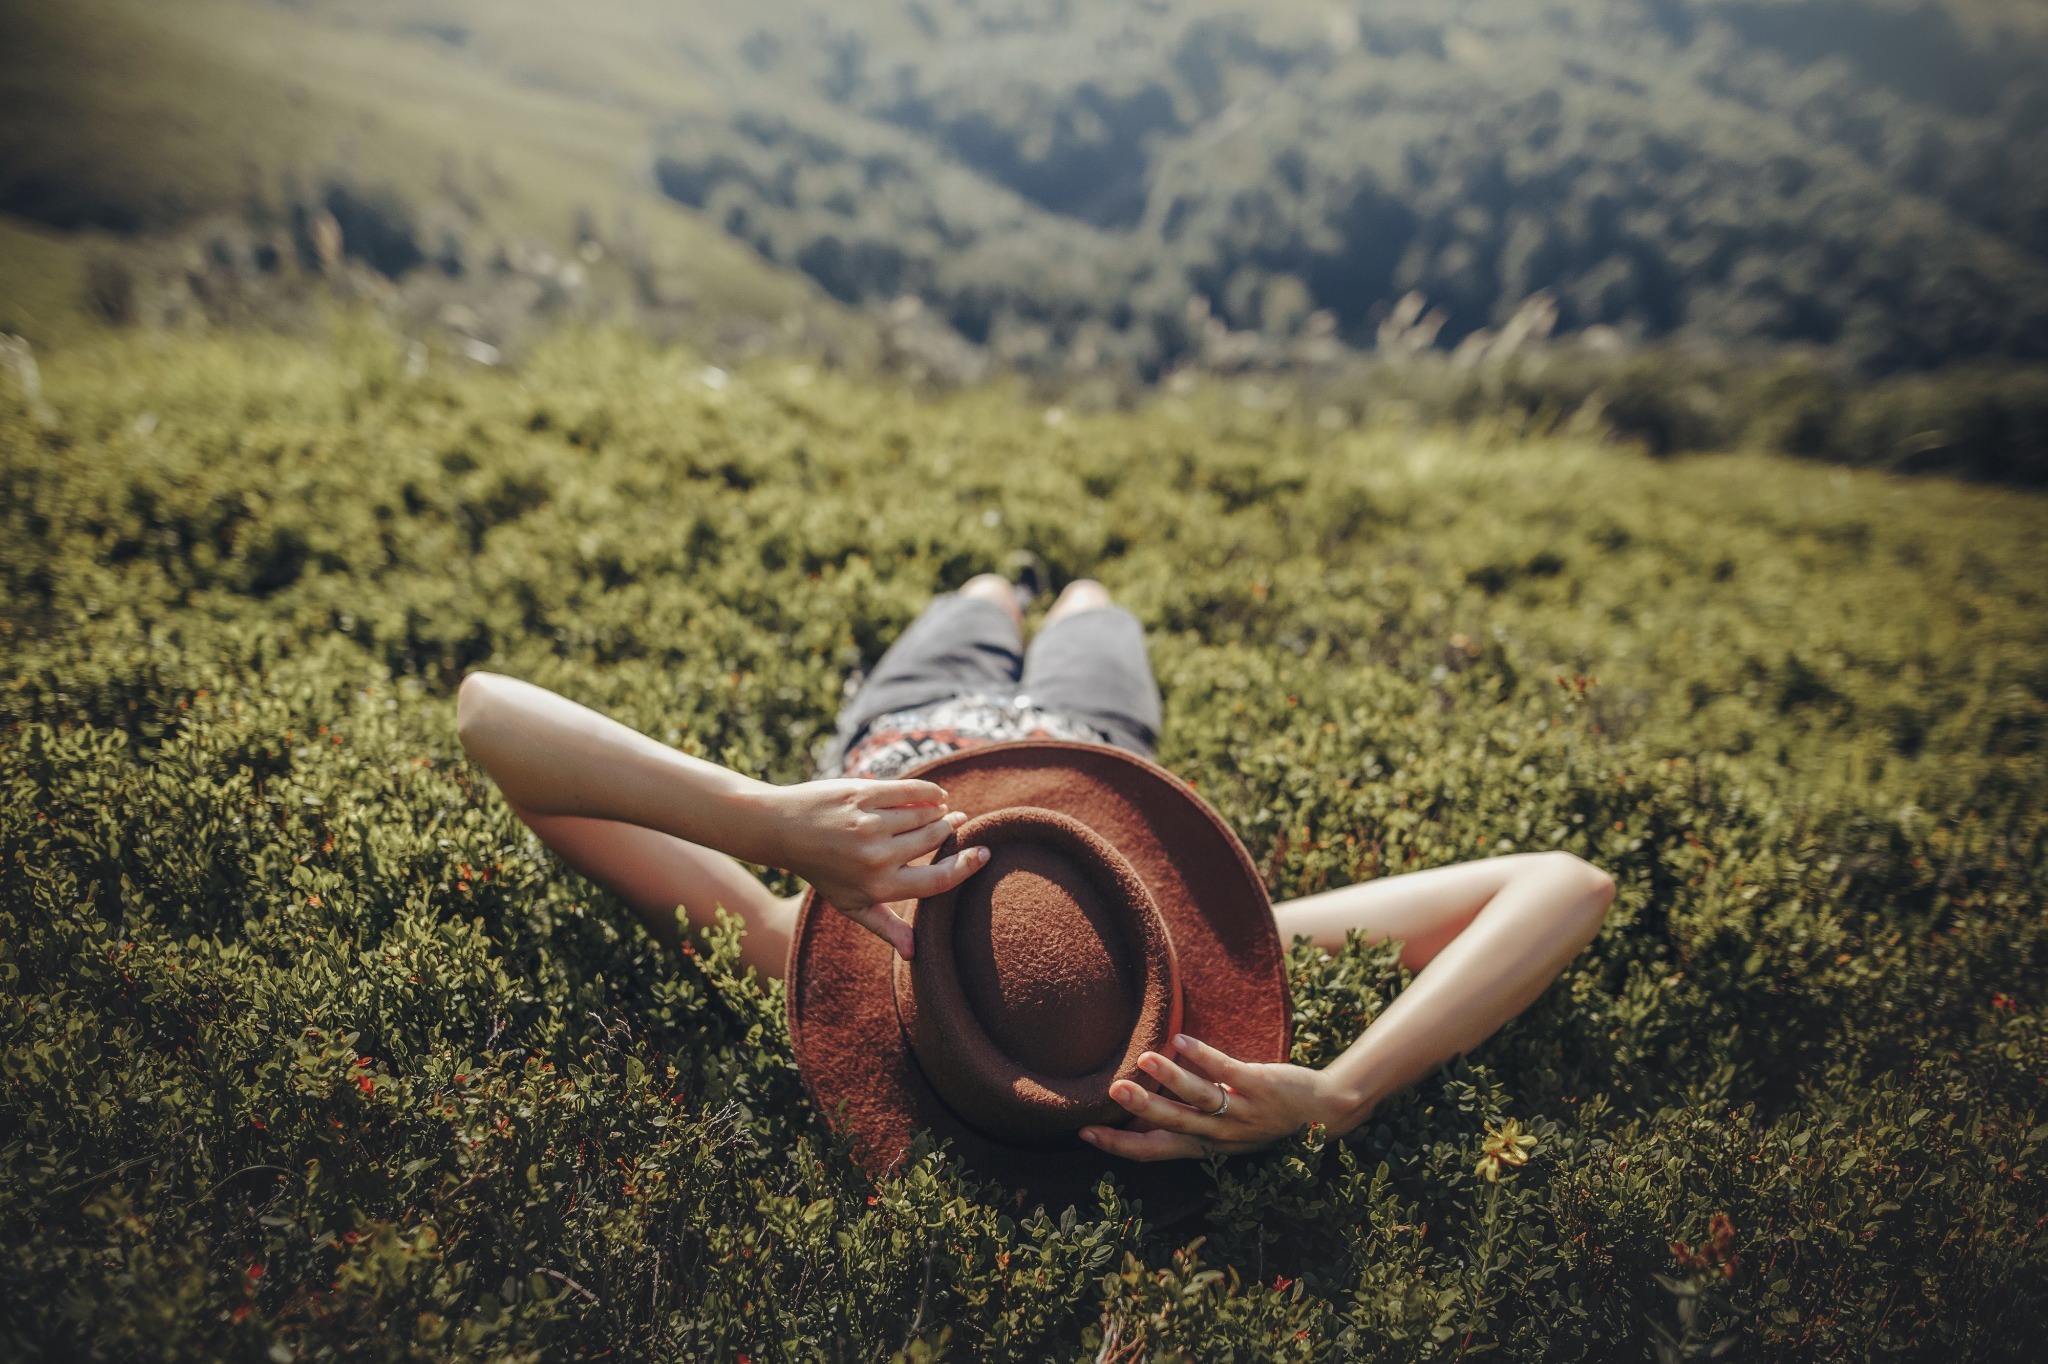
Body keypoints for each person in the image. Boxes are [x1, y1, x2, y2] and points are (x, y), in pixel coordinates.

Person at [456, 572, 1613, 1163]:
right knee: (1093, 607)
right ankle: (1055, 594)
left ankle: (1001, 591)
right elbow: (1564, 881)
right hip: (1093, 735)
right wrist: (1336, 1092)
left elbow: (492, 722)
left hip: (912, 711)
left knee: (975, 597)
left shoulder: (795, 933)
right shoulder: (1174, 945)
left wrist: (771, 826)